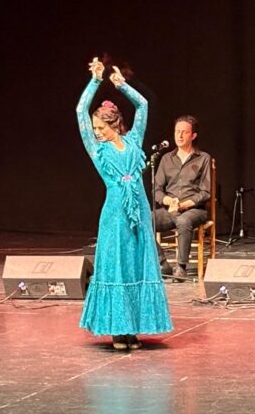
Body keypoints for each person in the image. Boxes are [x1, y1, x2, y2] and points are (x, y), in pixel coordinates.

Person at [76, 57, 173, 350]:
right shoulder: (98, 150)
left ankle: (134, 329)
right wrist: (95, 81)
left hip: (140, 212)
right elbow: (80, 110)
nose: (97, 132)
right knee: (117, 266)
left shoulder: (133, 143)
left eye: (101, 127)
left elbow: (143, 106)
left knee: (136, 266)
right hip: (116, 213)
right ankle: (118, 331)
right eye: (95, 128)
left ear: (115, 124)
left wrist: (122, 85)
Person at [153, 115, 212, 280]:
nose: (179, 136)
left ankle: (181, 267)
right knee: (142, 220)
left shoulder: (203, 158)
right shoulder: (166, 159)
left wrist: (184, 204)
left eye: (184, 132)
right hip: (170, 209)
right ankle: (162, 263)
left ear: (193, 136)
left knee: (183, 221)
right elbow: (156, 190)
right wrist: (168, 201)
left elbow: (205, 192)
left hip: (194, 210)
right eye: (177, 132)